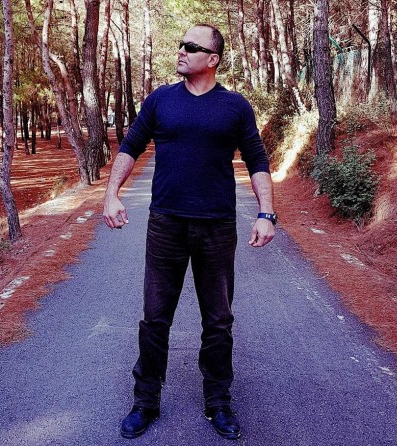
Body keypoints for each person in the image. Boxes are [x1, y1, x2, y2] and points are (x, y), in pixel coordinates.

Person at [102, 24, 276, 440]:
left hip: (217, 226)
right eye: (179, 43)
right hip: (166, 224)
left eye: (190, 47)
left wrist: (266, 214)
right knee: (155, 318)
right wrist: (111, 195)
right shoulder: (161, 99)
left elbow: (256, 159)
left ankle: (218, 401)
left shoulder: (235, 106)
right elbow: (130, 146)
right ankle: (145, 401)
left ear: (212, 59)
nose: (180, 50)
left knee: (218, 320)